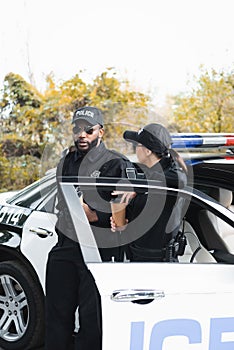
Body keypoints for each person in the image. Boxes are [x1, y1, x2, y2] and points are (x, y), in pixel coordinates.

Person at [45, 106, 135, 350]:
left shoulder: (116, 163)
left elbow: (128, 202)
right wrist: (77, 211)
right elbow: (62, 201)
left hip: (98, 251)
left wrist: (97, 214)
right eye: (77, 129)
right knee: (55, 317)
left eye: (88, 129)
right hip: (65, 245)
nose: (82, 134)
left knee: (92, 322)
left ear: (101, 132)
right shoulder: (66, 161)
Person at [111, 123, 188, 262]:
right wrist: (123, 223)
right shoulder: (146, 176)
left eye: (137, 146)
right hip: (137, 260)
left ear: (147, 151)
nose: (135, 150)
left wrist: (138, 186)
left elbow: (180, 180)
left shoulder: (171, 174)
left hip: (159, 265)